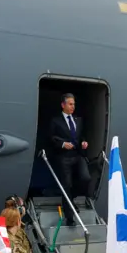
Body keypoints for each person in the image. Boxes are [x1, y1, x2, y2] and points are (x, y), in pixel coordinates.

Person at [47, 93, 91, 226]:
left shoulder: (78, 120)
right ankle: (70, 217)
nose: (73, 107)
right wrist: (62, 144)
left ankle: (71, 200)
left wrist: (84, 142)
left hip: (77, 155)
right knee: (66, 185)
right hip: (63, 157)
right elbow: (50, 137)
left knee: (85, 178)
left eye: (74, 104)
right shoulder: (55, 121)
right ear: (63, 105)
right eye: (70, 104)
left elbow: (81, 136)